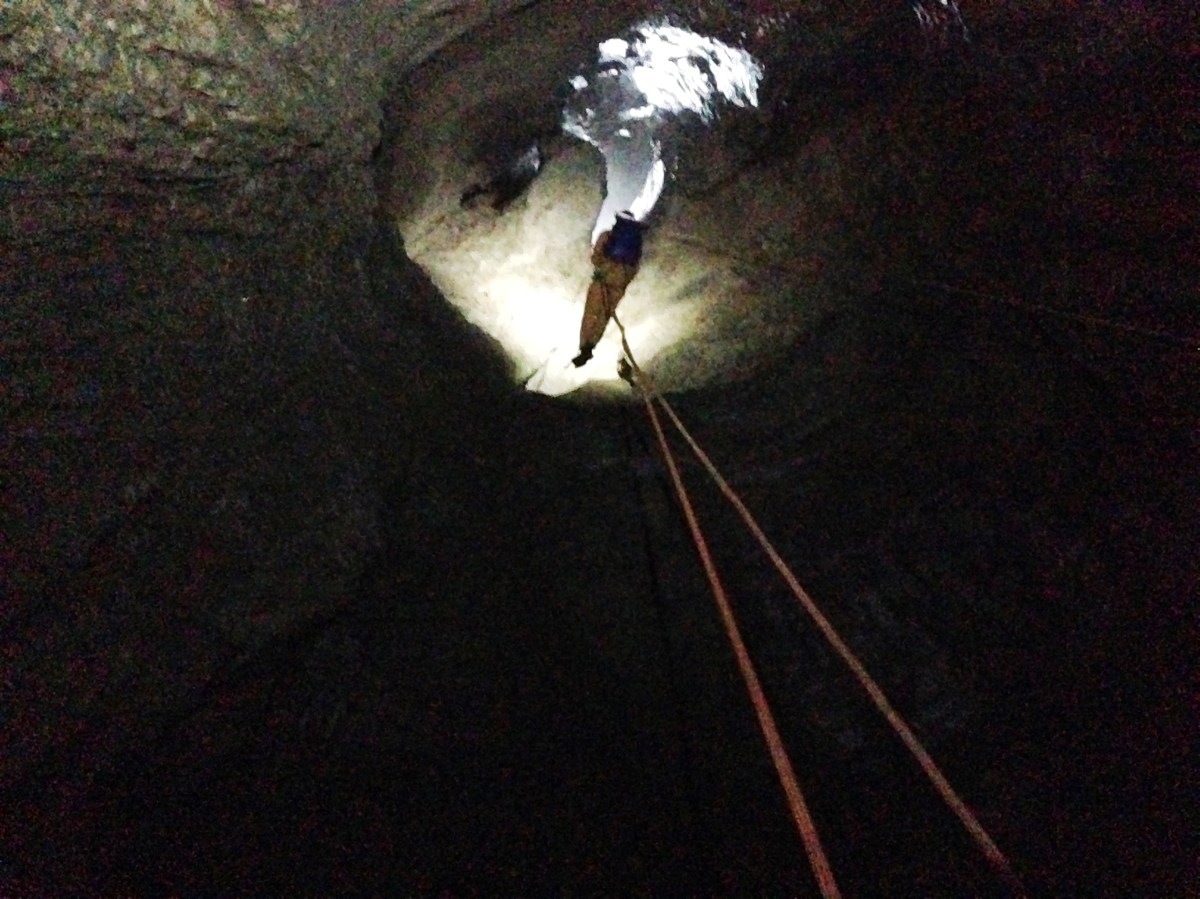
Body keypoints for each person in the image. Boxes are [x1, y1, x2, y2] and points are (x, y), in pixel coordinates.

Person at [573, 211, 646, 367]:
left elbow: (596, 258)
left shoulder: (607, 235)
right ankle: (591, 345)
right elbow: (635, 267)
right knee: (603, 317)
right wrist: (623, 281)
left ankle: (584, 348)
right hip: (618, 286)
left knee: (591, 313)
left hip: (602, 281)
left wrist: (603, 266)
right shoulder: (636, 243)